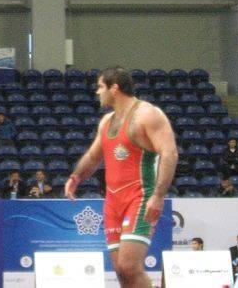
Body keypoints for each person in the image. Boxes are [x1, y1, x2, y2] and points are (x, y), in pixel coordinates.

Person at [65, 66, 178, 288]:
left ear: (114, 88)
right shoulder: (106, 121)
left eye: (100, 87)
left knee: (129, 267)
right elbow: (94, 156)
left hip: (140, 197)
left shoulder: (147, 114)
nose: (97, 92)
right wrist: (76, 177)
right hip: (113, 202)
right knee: (122, 273)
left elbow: (169, 153)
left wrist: (158, 196)